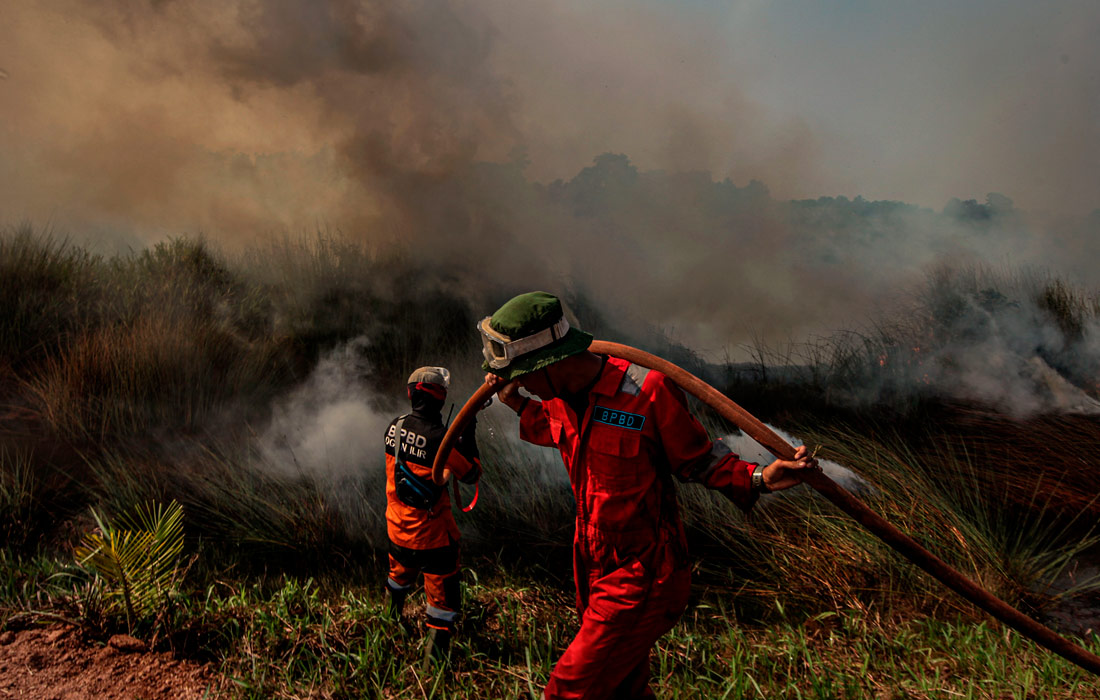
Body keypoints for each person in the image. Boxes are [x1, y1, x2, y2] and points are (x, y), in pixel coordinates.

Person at [479, 291, 820, 700]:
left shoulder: (648, 390)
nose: (522, 385)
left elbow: (698, 460)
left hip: (643, 575)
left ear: (551, 362)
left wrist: (762, 478)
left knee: (570, 690)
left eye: (523, 376)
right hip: (592, 564)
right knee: (623, 687)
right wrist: (516, 403)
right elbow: (556, 430)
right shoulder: (558, 398)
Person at [384, 366, 482, 664]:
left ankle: (387, 630)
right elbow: (471, 474)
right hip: (435, 541)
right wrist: (467, 432)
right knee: (442, 607)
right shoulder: (442, 439)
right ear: (441, 399)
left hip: (397, 531)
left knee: (398, 579)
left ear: (411, 394)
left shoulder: (394, 427)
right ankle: (431, 674)